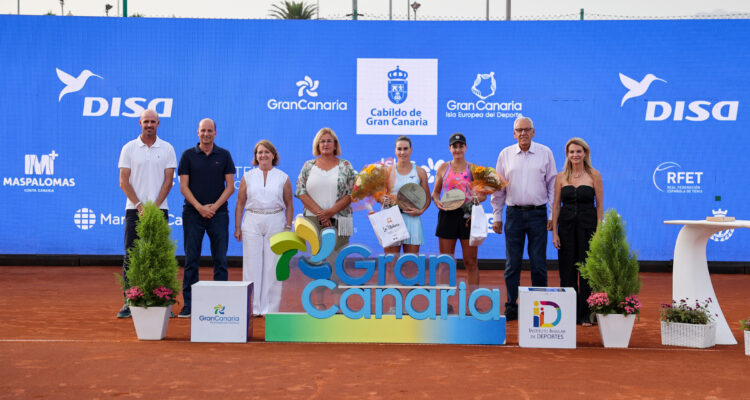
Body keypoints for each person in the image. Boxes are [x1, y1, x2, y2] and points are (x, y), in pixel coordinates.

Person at [491, 116, 556, 321]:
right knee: (512, 264)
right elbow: (498, 188)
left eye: (527, 129)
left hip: (538, 213)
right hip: (513, 215)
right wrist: (497, 216)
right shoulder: (505, 154)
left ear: (534, 132)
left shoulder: (545, 153)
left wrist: (553, 215)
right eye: (519, 130)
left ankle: (539, 306)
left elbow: (553, 186)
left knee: (538, 263)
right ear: (514, 133)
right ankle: (512, 305)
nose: (523, 133)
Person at [116, 109, 176, 318]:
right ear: (139, 123)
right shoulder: (129, 148)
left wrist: (154, 206)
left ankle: (161, 303)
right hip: (134, 210)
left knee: (159, 257)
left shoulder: (167, 148)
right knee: (131, 256)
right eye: (146, 121)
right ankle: (128, 302)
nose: (149, 124)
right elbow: (124, 181)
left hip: (159, 210)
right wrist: (141, 206)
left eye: (153, 121)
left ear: (158, 123)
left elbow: (169, 181)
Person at [177, 118, 236, 318]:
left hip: (219, 215)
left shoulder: (224, 155)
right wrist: (200, 208)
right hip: (193, 214)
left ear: (215, 133)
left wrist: (213, 208)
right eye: (203, 131)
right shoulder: (187, 155)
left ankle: (220, 305)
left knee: (220, 260)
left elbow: (230, 187)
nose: (206, 134)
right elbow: (183, 187)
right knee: (191, 259)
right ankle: (189, 306)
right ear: (198, 132)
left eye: (210, 131)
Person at [295, 127, 356, 310]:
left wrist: (330, 212)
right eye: (322, 141)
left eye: (329, 141)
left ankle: (338, 304)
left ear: (335, 144)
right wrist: (321, 213)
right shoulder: (308, 166)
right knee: (319, 263)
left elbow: (353, 193)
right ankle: (319, 304)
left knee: (338, 262)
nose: (326, 144)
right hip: (313, 222)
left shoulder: (345, 165)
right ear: (317, 145)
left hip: (339, 220)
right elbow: (300, 191)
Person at [234, 140, 293, 316]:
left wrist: (288, 226)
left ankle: (270, 309)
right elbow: (240, 203)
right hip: (252, 219)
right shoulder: (248, 177)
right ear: (256, 156)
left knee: (272, 266)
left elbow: (289, 203)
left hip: (276, 219)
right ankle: (252, 308)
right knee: (251, 265)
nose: (263, 155)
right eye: (259, 152)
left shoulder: (283, 177)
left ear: (273, 155)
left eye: (267, 152)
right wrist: (237, 227)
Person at [551, 137, 603, 326]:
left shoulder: (594, 175)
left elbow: (600, 207)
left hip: (588, 227)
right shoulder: (561, 176)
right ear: (567, 155)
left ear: (585, 153)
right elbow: (556, 206)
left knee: (587, 271)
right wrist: (554, 233)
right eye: (571, 152)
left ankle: (586, 314)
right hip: (565, 229)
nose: (575, 155)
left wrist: (598, 231)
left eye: (578, 151)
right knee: (567, 270)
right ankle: (568, 313)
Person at [431, 133, 487, 308]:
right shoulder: (442, 168)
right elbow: (435, 192)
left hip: (467, 216)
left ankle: (473, 303)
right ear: (450, 149)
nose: (457, 149)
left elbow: (483, 194)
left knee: (471, 262)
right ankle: (445, 303)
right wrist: (437, 201)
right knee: (446, 262)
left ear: (466, 148)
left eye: (460, 146)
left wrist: (478, 198)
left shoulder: (473, 169)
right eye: (454, 146)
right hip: (447, 215)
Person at [382, 136, 431, 312]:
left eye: (405, 149)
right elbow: (380, 196)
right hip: (392, 221)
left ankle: (411, 306)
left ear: (411, 150)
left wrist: (421, 210)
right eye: (399, 149)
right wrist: (386, 199)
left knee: (411, 264)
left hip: (412, 220)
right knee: (391, 263)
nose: (402, 152)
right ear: (395, 151)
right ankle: (393, 305)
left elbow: (427, 198)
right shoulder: (387, 172)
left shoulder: (419, 172)